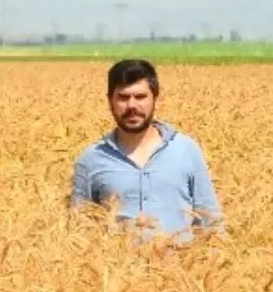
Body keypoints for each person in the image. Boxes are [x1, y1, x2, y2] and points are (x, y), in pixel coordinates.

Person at [70, 59, 224, 245]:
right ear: (110, 100)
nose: (132, 106)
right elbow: (80, 231)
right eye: (123, 97)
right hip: (117, 270)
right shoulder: (91, 160)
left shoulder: (186, 150)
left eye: (140, 97)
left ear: (156, 99)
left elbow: (210, 221)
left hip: (181, 269)